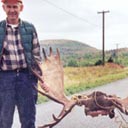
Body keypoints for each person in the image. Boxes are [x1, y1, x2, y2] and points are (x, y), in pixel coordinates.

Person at [0, 0, 49, 128]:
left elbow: (36, 55)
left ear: (21, 8)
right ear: (3, 8)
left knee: (28, 119)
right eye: (9, 7)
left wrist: (42, 79)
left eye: (15, 7)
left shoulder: (29, 28)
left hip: (26, 78)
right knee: (4, 121)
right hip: (4, 79)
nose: (12, 10)